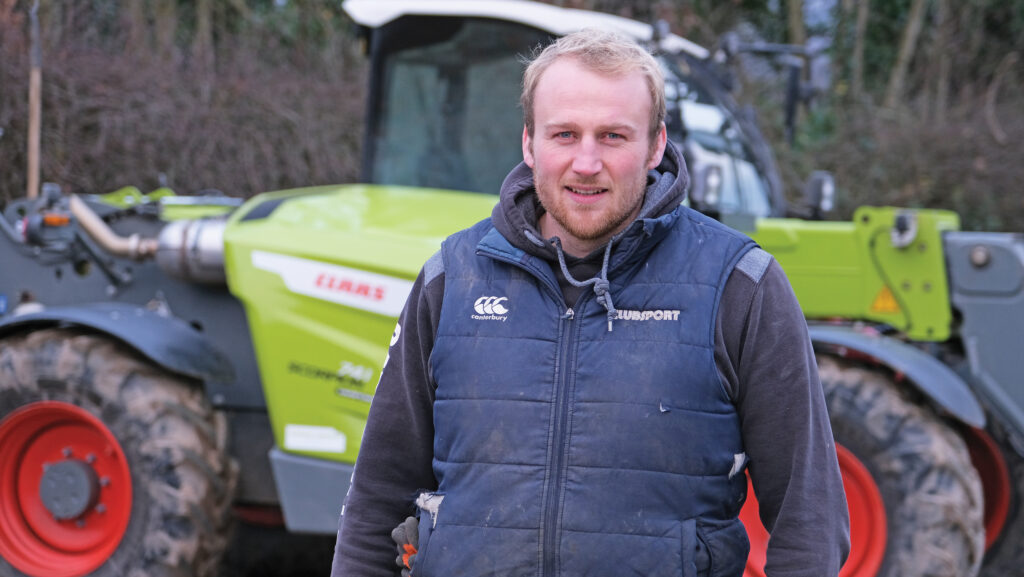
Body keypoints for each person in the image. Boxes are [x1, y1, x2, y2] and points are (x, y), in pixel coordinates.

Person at [332, 29, 849, 577]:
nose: (585, 161)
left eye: (612, 136)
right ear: (529, 143)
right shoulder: (451, 278)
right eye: (564, 134)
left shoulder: (741, 286)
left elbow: (808, 521)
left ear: (655, 146)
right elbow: (375, 504)